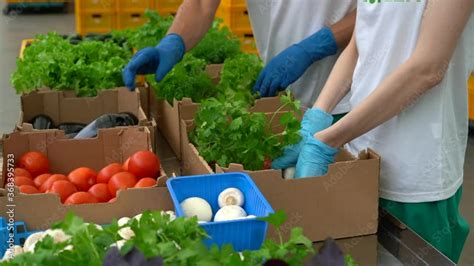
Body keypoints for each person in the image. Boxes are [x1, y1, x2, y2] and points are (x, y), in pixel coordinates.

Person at [277, 0, 472, 262]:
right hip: (360, 159)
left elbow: (428, 68)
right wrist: (318, 115)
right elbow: (361, 42)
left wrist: (329, 139)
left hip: (415, 177)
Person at [123, 0, 357, 124]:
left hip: (353, 98)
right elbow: (202, 4)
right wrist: (172, 44)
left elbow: (381, 12)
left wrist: (318, 45)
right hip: (286, 98)